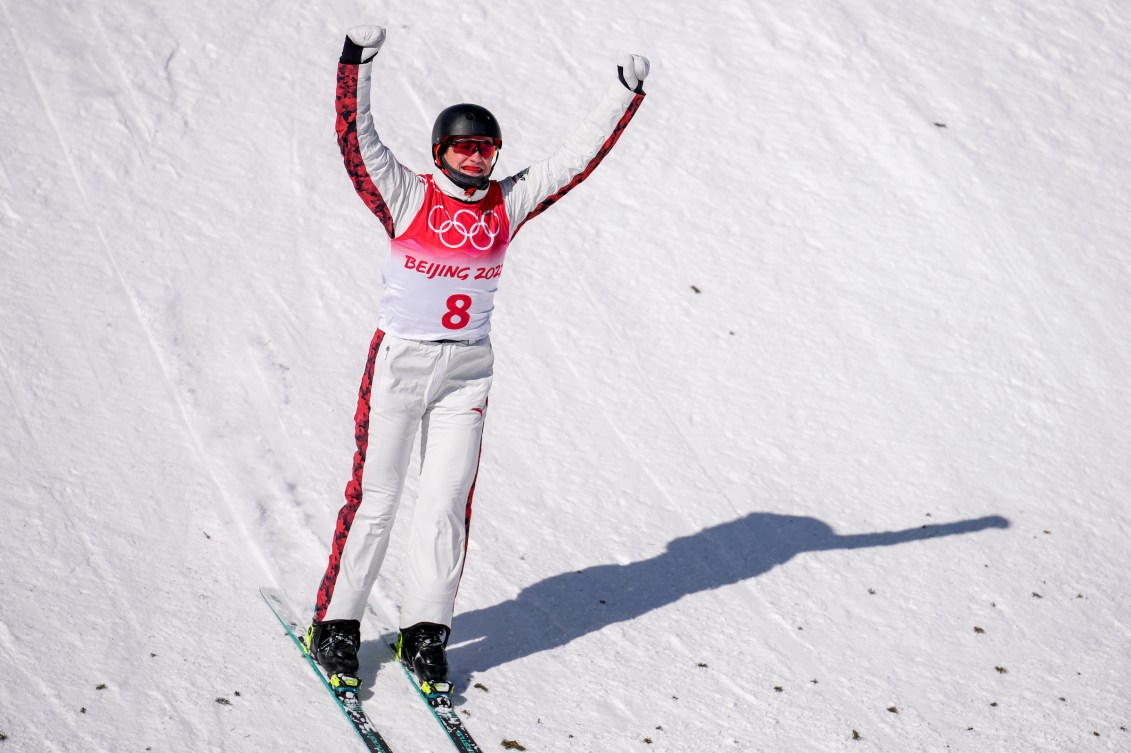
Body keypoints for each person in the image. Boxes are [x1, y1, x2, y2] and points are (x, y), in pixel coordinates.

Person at [305, 24, 649, 692]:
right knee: (375, 497)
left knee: (445, 503)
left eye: (485, 147)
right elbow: (357, 140)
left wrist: (622, 96)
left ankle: (425, 632)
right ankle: (338, 624)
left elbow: (572, 160)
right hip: (401, 362)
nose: (475, 158)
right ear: (440, 151)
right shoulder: (407, 195)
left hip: (466, 372)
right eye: (463, 147)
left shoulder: (505, 203)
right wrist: (357, 62)